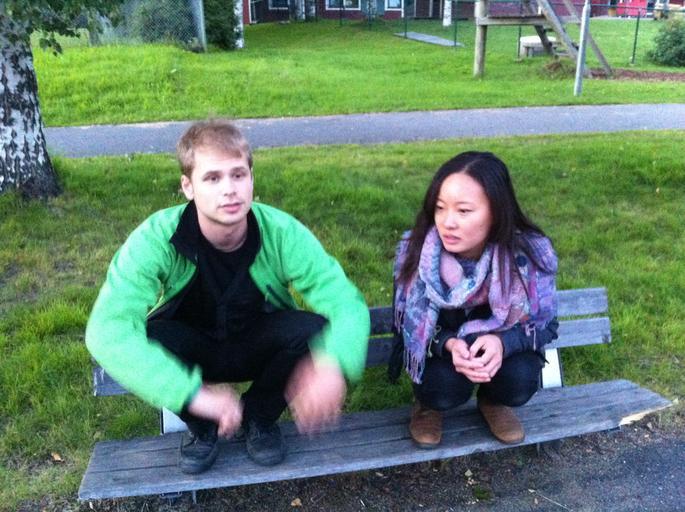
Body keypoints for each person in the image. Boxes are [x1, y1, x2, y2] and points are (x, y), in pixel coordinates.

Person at [86, 120, 370, 473]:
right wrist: (191, 394)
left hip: (255, 345)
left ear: (252, 178)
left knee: (311, 329)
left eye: (238, 174)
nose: (230, 190)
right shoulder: (156, 238)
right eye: (212, 178)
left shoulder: (282, 232)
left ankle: (258, 419)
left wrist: (333, 363)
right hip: (193, 350)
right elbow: (107, 329)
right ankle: (203, 427)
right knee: (153, 335)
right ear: (188, 186)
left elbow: (344, 302)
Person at [390, 151, 558, 448]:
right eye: (440, 208)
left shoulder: (527, 255)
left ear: (496, 212)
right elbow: (405, 326)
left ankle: (493, 402)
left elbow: (546, 325)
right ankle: (427, 407)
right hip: (442, 356)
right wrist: (448, 344)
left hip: (500, 354)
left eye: (464, 211)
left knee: (520, 380)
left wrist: (502, 343)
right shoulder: (417, 251)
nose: (447, 222)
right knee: (441, 388)